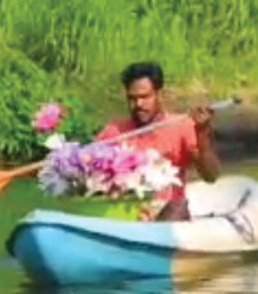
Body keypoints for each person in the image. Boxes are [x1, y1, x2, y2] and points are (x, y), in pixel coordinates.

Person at [95, 62, 221, 222]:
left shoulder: (182, 126)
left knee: (176, 207)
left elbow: (211, 176)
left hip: (169, 214)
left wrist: (202, 134)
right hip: (125, 215)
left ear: (159, 95)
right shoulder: (114, 132)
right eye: (132, 99)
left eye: (145, 97)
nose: (138, 104)